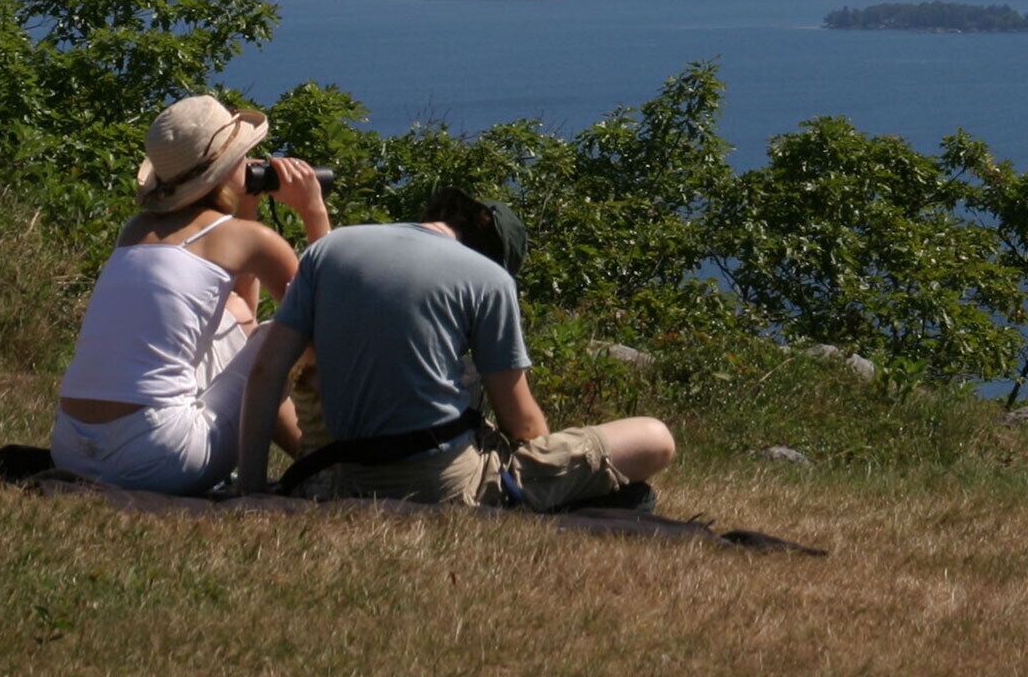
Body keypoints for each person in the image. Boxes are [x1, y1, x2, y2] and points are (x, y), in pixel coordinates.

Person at [228, 187, 674, 509]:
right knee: (655, 437)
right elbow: (521, 423)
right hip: (438, 485)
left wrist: (251, 488)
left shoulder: (329, 250)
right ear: (497, 257)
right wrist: (547, 467)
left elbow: (267, 373)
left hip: (326, 478)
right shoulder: (488, 279)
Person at [50, 94, 331, 495]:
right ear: (228, 166)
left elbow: (238, 312)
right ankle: (315, 465)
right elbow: (327, 314)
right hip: (160, 458)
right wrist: (313, 211)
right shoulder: (251, 240)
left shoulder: (133, 232)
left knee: (232, 315)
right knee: (277, 333)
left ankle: (307, 457)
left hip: (71, 449)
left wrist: (244, 208)